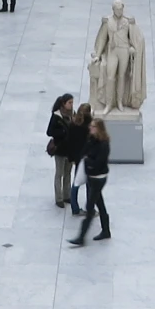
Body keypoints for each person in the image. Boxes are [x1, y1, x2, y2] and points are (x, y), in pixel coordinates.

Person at [69, 116, 112, 245]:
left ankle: (81, 237)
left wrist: (88, 161)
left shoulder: (104, 145)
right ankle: (106, 230)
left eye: (93, 127)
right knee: (100, 204)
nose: (90, 128)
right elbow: (83, 152)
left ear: (99, 129)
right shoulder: (92, 140)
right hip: (91, 176)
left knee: (90, 207)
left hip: (98, 178)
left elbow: (99, 162)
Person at [46, 94, 78, 208]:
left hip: (69, 150)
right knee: (59, 174)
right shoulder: (56, 116)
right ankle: (58, 198)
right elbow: (49, 132)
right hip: (60, 149)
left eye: (72, 102)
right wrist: (63, 132)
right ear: (63, 104)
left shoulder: (72, 114)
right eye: (69, 102)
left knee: (68, 173)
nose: (71, 105)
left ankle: (66, 195)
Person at [63, 101, 92, 212]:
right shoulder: (88, 127)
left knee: (76, 182)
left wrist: (72, 158)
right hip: (87, 158)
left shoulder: (73, 124)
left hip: (77, 158)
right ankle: (90, 208)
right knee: (89, 184)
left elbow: (70, 142)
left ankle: (75, 207)